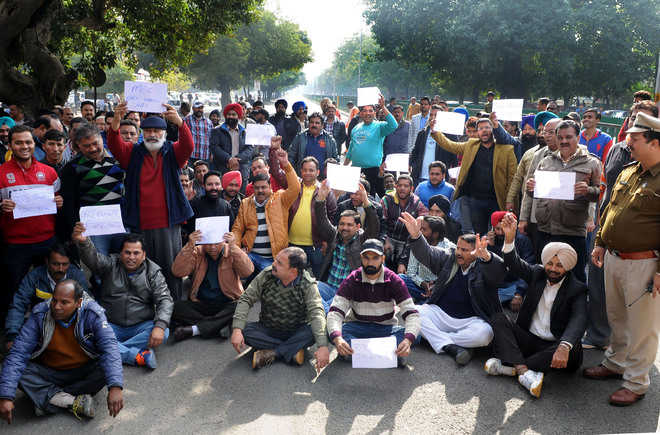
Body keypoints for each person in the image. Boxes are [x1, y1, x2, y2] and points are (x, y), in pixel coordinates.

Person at [584, 112, 660, 406]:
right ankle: (615, 362)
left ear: (654, 142)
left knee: (643, 327)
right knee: (616, 317)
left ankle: (637, 382)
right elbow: (610, 208)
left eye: (636, 140)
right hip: (614, 257)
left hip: (644, 263)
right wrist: (601, 242)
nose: (629, 145)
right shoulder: (630, 169)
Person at [486, 213, 587, 398]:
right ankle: (524, 371)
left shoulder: (577, 288)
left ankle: (511, 366)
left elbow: (579, 320)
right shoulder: (537, 273)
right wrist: (509, 239)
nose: (553, 269)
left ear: (568, 267)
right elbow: (514, 263)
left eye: (559, 265)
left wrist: (564, 346)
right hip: (530, 340)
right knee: (498, 318)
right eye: (550, 263)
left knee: (574, 350)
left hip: (554, 347)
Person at [0, 280, 123, 422]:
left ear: (78, 303)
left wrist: (115, 387)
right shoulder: (41, 313)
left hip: (83, 371)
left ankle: (49, 399)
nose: (57, 307)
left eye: (64, 303)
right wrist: (6, 396)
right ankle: (71, 402)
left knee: (105, 367)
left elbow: (109, 348)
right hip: (50, 371)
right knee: (16, 369)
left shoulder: (92, 313)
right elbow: (18, 353)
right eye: (54, 300)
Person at [108, 102, 192, 300]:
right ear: (142, 134)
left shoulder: (172, 152)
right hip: (141, 224)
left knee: (170, 268)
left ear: (164, 133)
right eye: (148, 131)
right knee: (142, 270)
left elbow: (188, 146)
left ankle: (173, 308)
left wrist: (180, 123)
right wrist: (116, 122)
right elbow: (114, 145)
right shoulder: (133, 153)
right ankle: (146, 307)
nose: (152, 134)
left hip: (167, 224)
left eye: (156, 131)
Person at [400, 212, 504, 365]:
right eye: (458, 248)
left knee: (485, 334)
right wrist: (416, 236)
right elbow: (428, 253)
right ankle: (453, 347)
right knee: (413, 312)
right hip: (441, 313)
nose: (459, 253)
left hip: (470, 320)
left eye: (465, 250)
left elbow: (500, 273)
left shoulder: (484, 267)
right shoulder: (449, 258)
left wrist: (487, 257)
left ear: (477, 252)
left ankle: (438, 339)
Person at [72, 224, 173, 370]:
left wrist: (160, 325)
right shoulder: (111, 264)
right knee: (86, 332)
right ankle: (137, 355)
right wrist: (83, 242)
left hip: (141, 325)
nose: (131, 257)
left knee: (164, 332)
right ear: (120, 253)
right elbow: (93, 260)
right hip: (110, 324)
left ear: (144, 255)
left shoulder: (153, 271)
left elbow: (165, 300)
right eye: (127, 252)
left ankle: (108, 350)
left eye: (136, 253)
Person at [0, 125, 63, 328]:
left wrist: (60, 202)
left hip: (47, 241)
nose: (24, 146)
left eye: (28, 142)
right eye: (18, 142)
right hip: (15, 244)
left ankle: (46, 329)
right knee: (13, 290)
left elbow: (58, 202)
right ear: (10, 145)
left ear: (34, 144)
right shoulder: (1, 173)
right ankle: (12, 332)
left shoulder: (50, 172)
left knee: (47, 289)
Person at [230, 247, 330, 370]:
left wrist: (323, 346)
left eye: (279, 263)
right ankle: (293, 350)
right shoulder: (267, 275)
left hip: (296, 331)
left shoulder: (308, 284)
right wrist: (237, 330)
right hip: (268, 328)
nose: (273, 264)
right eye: (275, 260)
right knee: (243, 329)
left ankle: (273, 353)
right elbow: (246, 299)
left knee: (314, 332)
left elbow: (316, 313)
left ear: (293, 271)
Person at [529, 120, 602, 283]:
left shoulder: (592, 163)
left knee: (575, 278)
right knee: (544, 275)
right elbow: (534, 192)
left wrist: (588, 191)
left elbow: (600, 194)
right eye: (560, 137)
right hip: (545, 230)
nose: (563, 141)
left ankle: (575, 309)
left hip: (572, 232)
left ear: (578, 137)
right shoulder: (546, 161)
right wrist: (531, 187)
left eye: (568, 137)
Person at [327, 239, 420, 365]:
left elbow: (411, 314)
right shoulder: (353, 279)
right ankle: (390, 355)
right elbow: (335, 312)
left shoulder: (394, 280)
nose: (370, 262)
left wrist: (407, 341)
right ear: (361, 257)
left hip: (385, 328)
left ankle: (356, 355)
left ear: (382, 259)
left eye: (375, 258)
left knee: (415, 336)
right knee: (333, 332)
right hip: (357, 327)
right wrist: (338, 339)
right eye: (366, 258)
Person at [430, 118, 517, 235]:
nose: (484, 131)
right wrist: (435, 133)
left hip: (496, 200)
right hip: (475, 200)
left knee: (495, 234)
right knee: (479, 234)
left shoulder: (507, 149)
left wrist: (510, 199)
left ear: (494, 129)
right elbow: (452, 146)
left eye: (487, 127)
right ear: (477, 132)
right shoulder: (471, 145)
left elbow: (513, 177)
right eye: (480, 128)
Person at [171, 230, 253, 341]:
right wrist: (189, 246)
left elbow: (247, 271)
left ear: (223, 241)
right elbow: (178, 271)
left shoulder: (231, 251)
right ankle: (219, 325)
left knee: (240, 306)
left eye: (216, 243)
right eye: (209, 244)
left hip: (227, 302)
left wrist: (234, 247)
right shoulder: (197, 252)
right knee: (175, 307)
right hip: (202, 303)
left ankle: (195, 329)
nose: (212, 247)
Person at [4, 244, 88, 349]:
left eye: (65, 264)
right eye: (56, 264)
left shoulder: (76, 276)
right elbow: (19, 304)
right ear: (47, 262)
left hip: (68, 323)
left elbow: (87, 303)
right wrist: (12, 335)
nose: (60, 269)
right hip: (40, 322)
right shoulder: (34, 276)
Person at [232, 145, 300, 277]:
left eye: (264, 187)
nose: (260, 190)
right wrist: (237, 248)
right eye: (257, 188)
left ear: (270, 187)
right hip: (251, 255)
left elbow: (295, 188)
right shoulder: (246, 203)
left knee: (267, 287)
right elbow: (237, 228)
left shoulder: (281, 198)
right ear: (253, 188)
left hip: (273, 258)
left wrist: (286, 164)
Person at [59, 124, 126, 254]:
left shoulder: (118, 157)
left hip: (121, 223)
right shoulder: (72, 168)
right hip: (93, 228)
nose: (93, 148)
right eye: (86, 146)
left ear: (101, 138)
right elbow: (69, 201)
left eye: (95, 143)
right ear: (78, 145)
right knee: (98, 266)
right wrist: (75, 227)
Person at [315, 182, 379, 311]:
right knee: (310, 287)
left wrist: (366, 201)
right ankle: (326, 310)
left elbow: (374, 225)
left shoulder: (363, 240)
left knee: (322, 308)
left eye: (349, 225)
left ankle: (325, 311)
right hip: (328, 287)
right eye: (342, 224)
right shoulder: (334, 235)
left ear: (358, 227)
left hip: (347, 292)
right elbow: (322, 220)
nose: (345, 228)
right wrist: (320, 199)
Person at [288, 157, 337, 278]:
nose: (307, 173)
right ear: (301, 171)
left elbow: (331, 218)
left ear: (318, 172)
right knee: (292, 277)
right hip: (292, 243)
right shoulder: (294, 188)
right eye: (305, 170)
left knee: (317, 279)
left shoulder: (325, 191)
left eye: (311, 170)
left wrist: (326, 241)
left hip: (316, 245)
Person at [345, 94, 398, 197]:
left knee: (369, 198)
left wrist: (383, 107)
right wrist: (344, 166)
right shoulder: (356, 128)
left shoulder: (379, 126)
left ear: (374, 113)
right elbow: (351, 149)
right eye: (364, 111)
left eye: (370, 111)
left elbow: (394, 125)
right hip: (356, 170)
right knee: (354, 197)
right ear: (360, 113)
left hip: (373, 171)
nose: (367, 113)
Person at [399, 215, 455, 303]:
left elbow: (450, 275)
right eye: (420, 228)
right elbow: (411, 272)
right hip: (420, 285)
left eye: (424, 229)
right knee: (400, 279)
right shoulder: (417, 244)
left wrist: (435, 286)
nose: (420, 231)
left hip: (439, 288)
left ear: (435, 234)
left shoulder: (449, 249)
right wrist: (423, 284)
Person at [487, 212, 534, 311]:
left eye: (503, 229)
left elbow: (528, 269)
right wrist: (491, 247)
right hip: (497, 285)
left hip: (514, 285)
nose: (500, 233)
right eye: (497, 229)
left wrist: (519, 293)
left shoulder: (523, 241)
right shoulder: (489, 239)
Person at [381, 175, 428, 273]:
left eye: (406, 186)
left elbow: (424, 219)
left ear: (412, 188)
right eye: (400, 185)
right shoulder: (386, 200)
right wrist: (384, 240)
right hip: (388, 238)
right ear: (396, 186)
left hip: (406, 241)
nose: (402, 188)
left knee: (402, 272)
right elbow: (382, 223)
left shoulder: (417, 203)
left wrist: (421, 219)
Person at [210, 103, 253, 190]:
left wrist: (237, 160)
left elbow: (250, 149)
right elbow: (214, 147)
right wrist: (229, 159)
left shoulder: (245, 131)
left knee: (241, 195)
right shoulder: (217, 130)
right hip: (222, 167)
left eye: (234, 114)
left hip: (241, 168)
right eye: (229, 114)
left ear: (238, 116)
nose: (231, 117)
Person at [411, 105, 459, 182]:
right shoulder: (422, 133)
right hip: (420, 177)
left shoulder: (449, 135)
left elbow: (454, 157)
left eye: (436, 115)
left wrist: (453, 176)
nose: (433, 117)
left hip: (440, 179)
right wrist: (412, 165)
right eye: (431, 115)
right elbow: (415, 152)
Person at [335, 178, 387, 242]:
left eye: (356, 194)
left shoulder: (377, 208)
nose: (352, 196)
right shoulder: (343, 206)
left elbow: (382, 229)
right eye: (351, 193)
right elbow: (337, 226)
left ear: (366, 194)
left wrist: (380, 243)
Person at [381, 105, 410, 171]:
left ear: (402, 113)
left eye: (398, 112)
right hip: (389, 156)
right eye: (395, 112)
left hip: (403, 157)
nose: (397, 114)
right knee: (389, 178)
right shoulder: (387, 125)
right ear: (392, 114)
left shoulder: (408, 125)